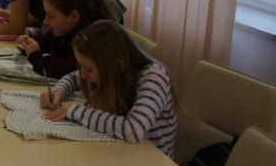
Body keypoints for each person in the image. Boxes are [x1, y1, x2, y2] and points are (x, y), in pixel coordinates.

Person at [42, 20, 177, 157]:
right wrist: (58, 92)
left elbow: (133, 130)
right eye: (81, 66)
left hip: (151, 161)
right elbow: (73, 78)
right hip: (119, 152)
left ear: (117, 67)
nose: (83, 74)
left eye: (89, 69)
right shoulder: (107, 70)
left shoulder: (154, 77)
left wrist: (75, 111)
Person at [15, 0, 110, 78]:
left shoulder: (88, 40)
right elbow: (48, 41)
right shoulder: (65, 29)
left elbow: (63, 70)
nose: (45, 21)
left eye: (51, 16)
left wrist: (35, 56)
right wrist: (29, 44)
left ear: (73, 16)